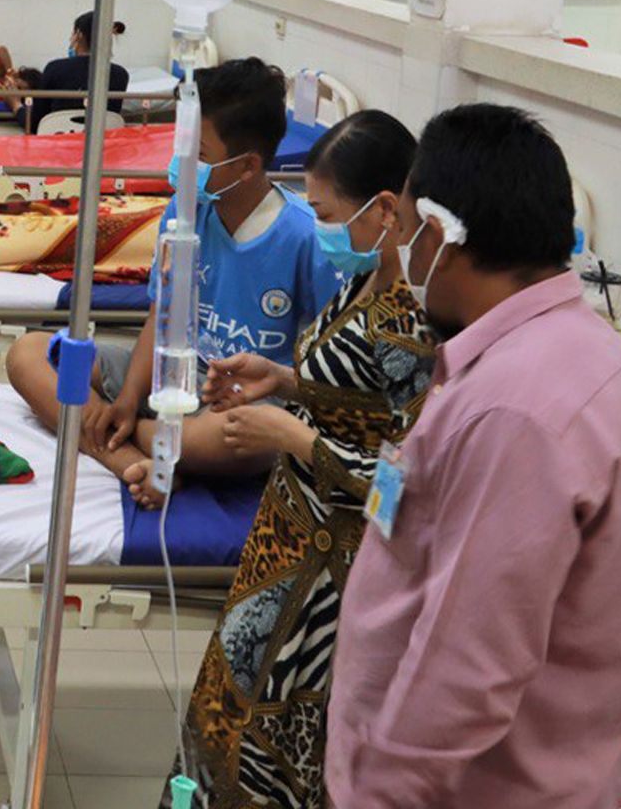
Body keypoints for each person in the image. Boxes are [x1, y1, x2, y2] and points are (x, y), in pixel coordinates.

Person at [326, 105, 621, 809]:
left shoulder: (519, 409)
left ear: (438, 237)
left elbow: (466, 664)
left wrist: (379, 794)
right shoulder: (565, 353)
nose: (403, 257)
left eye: (404, 232)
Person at [170, 112, 436, 808]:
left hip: (336, 580)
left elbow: (410, 489)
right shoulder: (363, 281)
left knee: (276, 750)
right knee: (222, 721)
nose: (316, 227)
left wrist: (287, 434)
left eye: (323, 212)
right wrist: (281, 378)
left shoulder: (409, 323)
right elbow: (357, 397)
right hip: (286, 546)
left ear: (384, 210)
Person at [6, 58, 339, 502]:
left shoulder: (303, 237)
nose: (183, 163)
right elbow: (160, 315)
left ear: (247, 166)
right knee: (29, 354)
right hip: (170, 374)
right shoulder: (185, 212)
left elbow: (326, 365)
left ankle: (153, 447)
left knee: (235, 438)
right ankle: (131, 461)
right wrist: (126, 400)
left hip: (241, 401)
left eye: (198, 154)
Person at [26, 11, 130, 133]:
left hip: (59, 145)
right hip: (103, 147)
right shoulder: (120, 74)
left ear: (78, 35)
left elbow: (34, 122)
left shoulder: (54, 68)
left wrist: (15, 105)